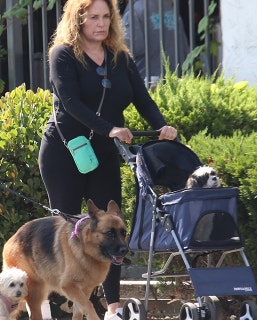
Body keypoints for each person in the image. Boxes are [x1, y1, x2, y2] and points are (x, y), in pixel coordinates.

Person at [37, 0, 178, 319]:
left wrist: (161, 125)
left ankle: (113, 307)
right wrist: (110, 127)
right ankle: (63, 308)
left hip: (102, 152)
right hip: (65, 150)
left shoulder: (120, 58)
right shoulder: (63, 54)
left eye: (105, 17)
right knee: (67, 230)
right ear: (78, 20)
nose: (100, 24)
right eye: (92, 18)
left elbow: (143, 98)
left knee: (111, 228)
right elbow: (70, 102)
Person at [122, 0, 190, 87]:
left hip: (148, 82)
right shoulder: (170, 8)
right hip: (175, 80)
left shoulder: (134, 11)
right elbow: (185, 49)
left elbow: (130, 49)